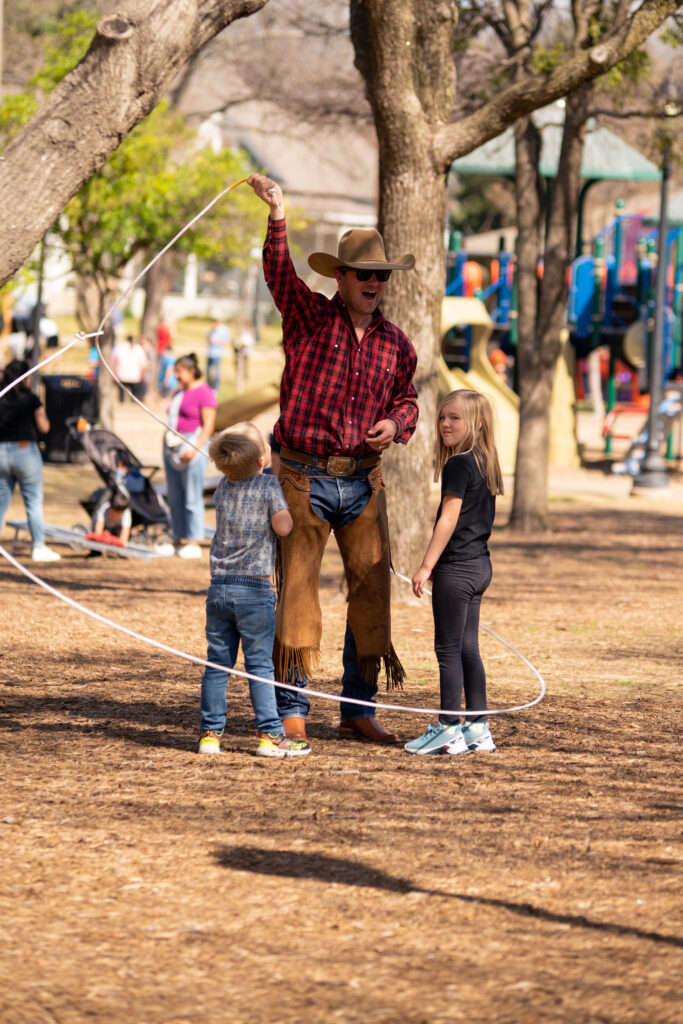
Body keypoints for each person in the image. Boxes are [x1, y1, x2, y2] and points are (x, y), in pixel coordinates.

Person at [247, 172, 418, 745]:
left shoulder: (397, 343)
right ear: (340, 278)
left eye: (380, 276)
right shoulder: (308, 316)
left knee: (371, 589)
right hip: (299, 474)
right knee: (296, 586)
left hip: (363, 482)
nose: (373, 283)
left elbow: (408, 400)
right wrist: (277, 214)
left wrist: (396, 424)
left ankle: (356, 706)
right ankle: (291, 706)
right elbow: (278, 273)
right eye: (363, 275)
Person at [198, 423, 310, 758]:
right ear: (262, 460)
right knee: (260, 666)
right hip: (254, 589)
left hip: (219, 588)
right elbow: (284, 527)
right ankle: (270, 736)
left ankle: (210, 735)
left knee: (217, 665)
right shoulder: (267, 486)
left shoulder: (221, 487)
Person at [405, 389, 504, 756]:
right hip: (479, 566)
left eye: (455, 418)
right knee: (467, 648)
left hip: (458, 568)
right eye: (443, 417)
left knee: (448, 649)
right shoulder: (484, 460)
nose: (446, 423)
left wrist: (427, 564)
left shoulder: (459, 463)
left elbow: (448, 519)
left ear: (475, 422)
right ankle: (477, 728)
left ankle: (448, 728)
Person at [0, 359, 61, 562]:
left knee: (1, 502)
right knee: (33, 502)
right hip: (25, 452)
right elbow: (44, 427)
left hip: (1, 453)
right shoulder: (32, 399)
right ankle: (38, 546)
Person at [162, 353, 217, 559]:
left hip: (192, 444)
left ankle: (193, 540)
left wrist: (193, 449)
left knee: (192, 495)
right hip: (172, 446)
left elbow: (208, 425)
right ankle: (176, 538)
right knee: (174, 495)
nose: (176, 375)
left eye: (179, 371)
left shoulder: (204, 392)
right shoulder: (178, 392)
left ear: (191, 371)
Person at [111, 334, 149, 403]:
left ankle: (122, 402)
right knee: (134, 395)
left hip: (122, 374)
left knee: (122, 394)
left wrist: (114, 373)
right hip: (135, 376)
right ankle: (132, 404)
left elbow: (114, 361)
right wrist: (143, 375)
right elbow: (143, 364)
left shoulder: (120, 347)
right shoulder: (139, 348)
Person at [205, 319, 231, 393]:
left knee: (215, 371)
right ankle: (208, 386)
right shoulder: (212, 330)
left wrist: (217, 342)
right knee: (207, 371)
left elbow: (226, 342)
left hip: (217, 353)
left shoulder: (224, 330)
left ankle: (216, 387)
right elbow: (207, 339)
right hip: (210, 353)